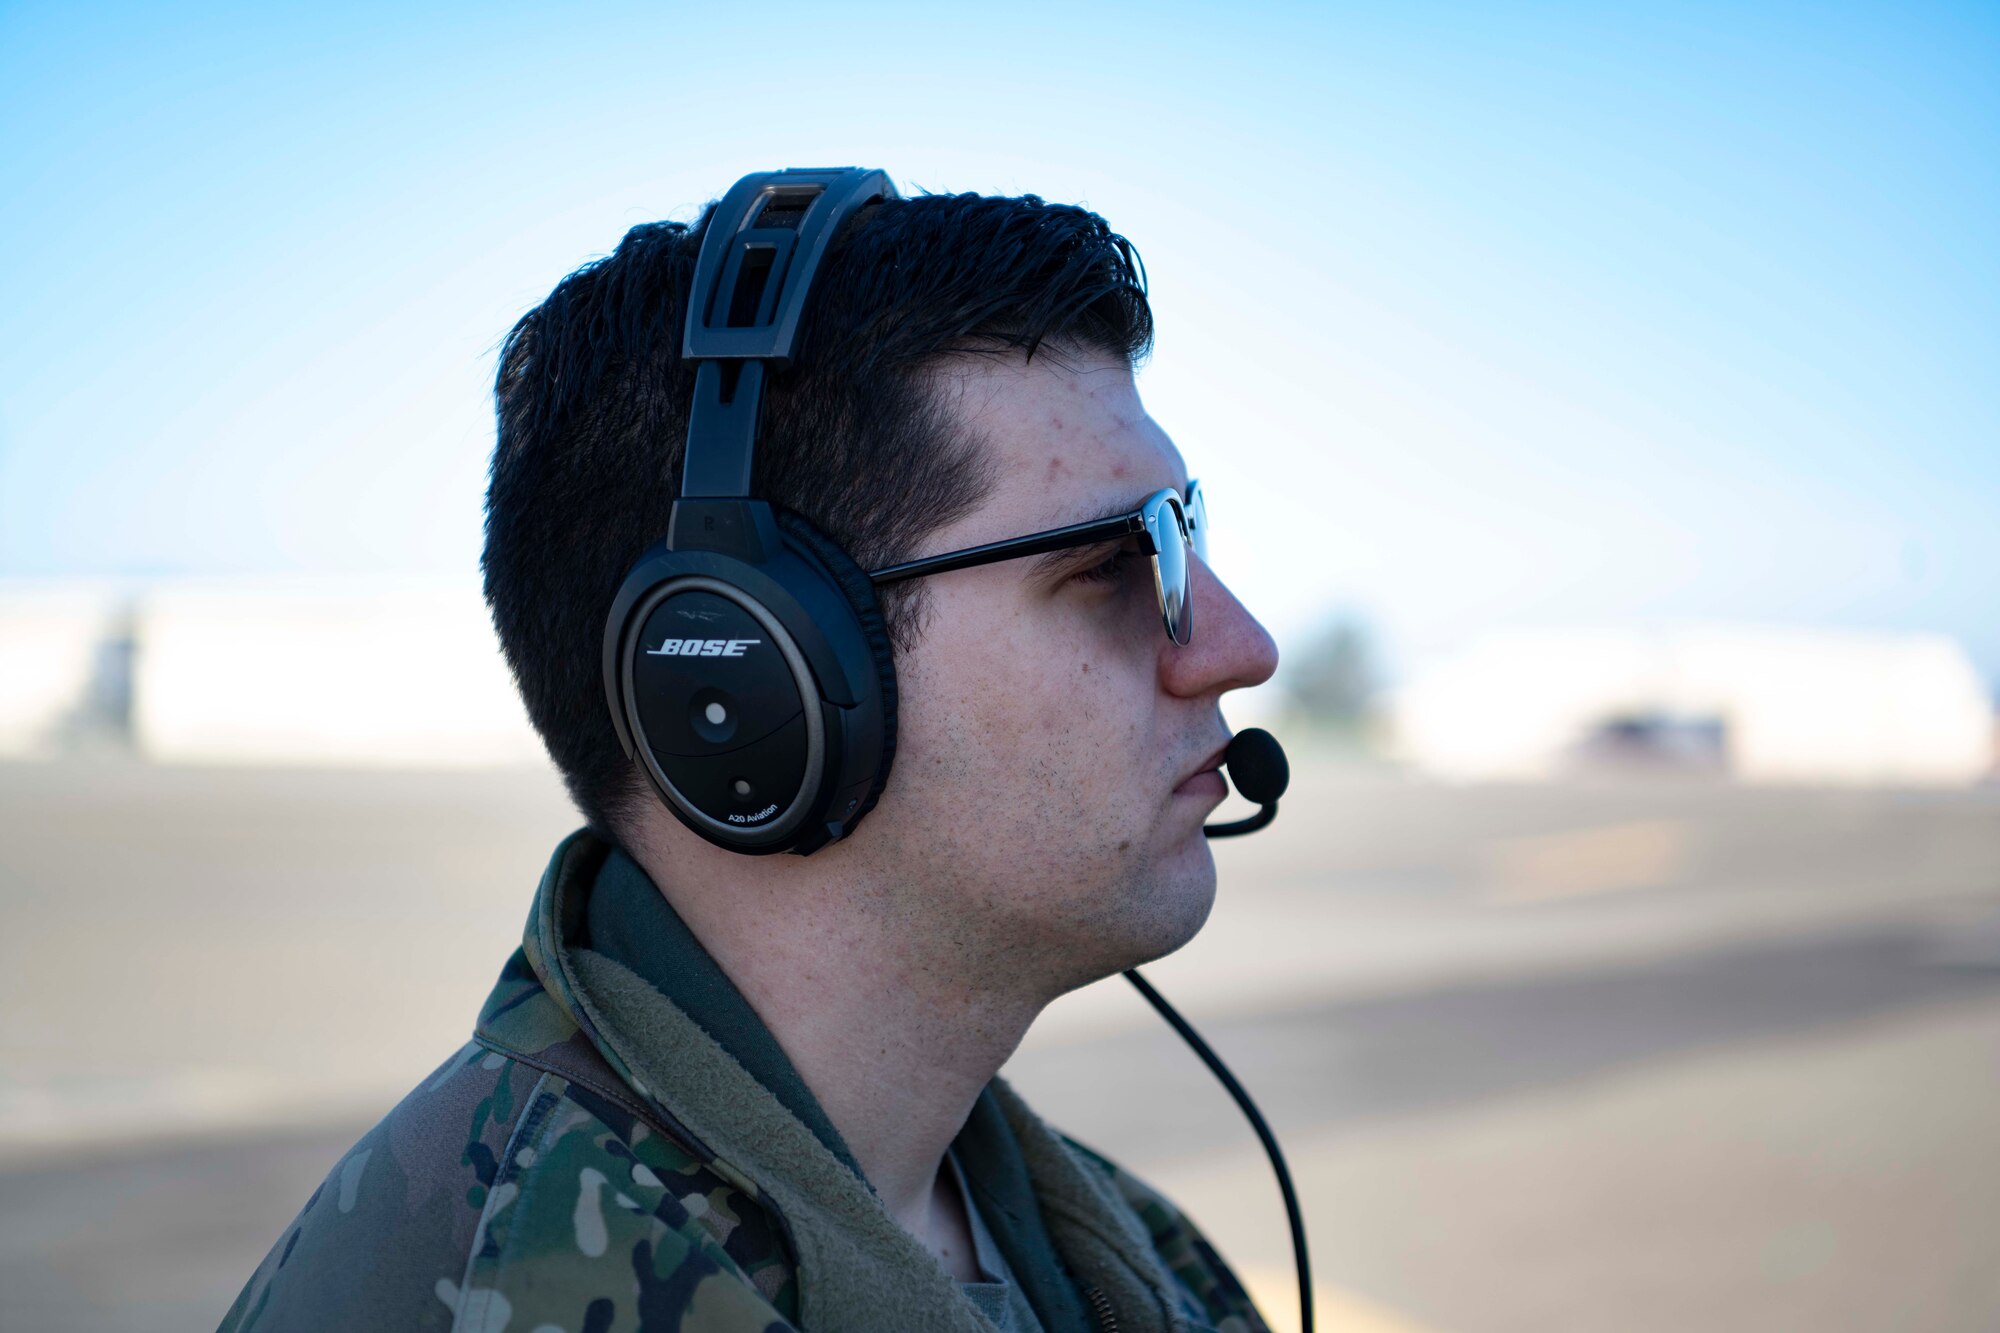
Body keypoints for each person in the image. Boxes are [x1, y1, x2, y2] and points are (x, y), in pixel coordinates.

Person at [221, 178, 1280, 1333]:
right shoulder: (511, 1291)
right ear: (736, 677)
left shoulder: (1126, 1253)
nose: (1236, 647)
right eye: (1106, 565)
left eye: (1186, 532)